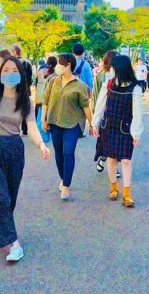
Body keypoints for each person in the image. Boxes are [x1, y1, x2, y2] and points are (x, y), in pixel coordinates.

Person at [0, 57, 50, 263]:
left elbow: (31, 126)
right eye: (6, 69)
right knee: (0, 197)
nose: (10, 73)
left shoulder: (25, 100)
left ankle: (3, 231)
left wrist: (41, 144)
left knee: (9, 198)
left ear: (20, 74)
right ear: (0, 73)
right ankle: (13, 243)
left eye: (14, 70)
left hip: (14, 149)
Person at [40, 52, 94, 201]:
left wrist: (92, 123)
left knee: (68, 152)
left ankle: (66, 186)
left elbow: (85, 106)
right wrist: (43, 119)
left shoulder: (80, 86)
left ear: (68, 65)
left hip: (72, 124)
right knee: (58, 153)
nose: (58, 66)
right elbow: (45, 100)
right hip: (55, 121)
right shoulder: (53, 81)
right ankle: (64, 178)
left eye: (60, 63)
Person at [93, 54, 143, 207]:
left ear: (120, 69)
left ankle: (127, 193)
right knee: (111, 159)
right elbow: (100, 104)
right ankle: (114, 187)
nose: (111, 69)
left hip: (125, 129)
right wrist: (95, 123)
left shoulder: (135, 88)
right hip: (109, 126)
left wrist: (136, 132)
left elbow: (137, 112)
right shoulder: (108, 84)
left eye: (113, 67)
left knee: (126, 160)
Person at [93, 50, 117, 172]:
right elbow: (97, 96)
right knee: (105, 140)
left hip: (117, 111)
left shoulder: (120, 74)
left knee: (116, 139)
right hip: (104, 112)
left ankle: (113, 166)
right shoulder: (100, 75)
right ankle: (103, 157)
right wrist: (95, 118)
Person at [9, 44, 34, 136]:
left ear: (15, 52)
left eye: (12, 52)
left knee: (13, 109)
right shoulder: (27, 62)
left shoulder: (13, 63)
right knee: (24, 109)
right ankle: (25, 130)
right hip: (26, 90)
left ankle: (13, 129)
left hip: (15, 89)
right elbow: (30, 78)